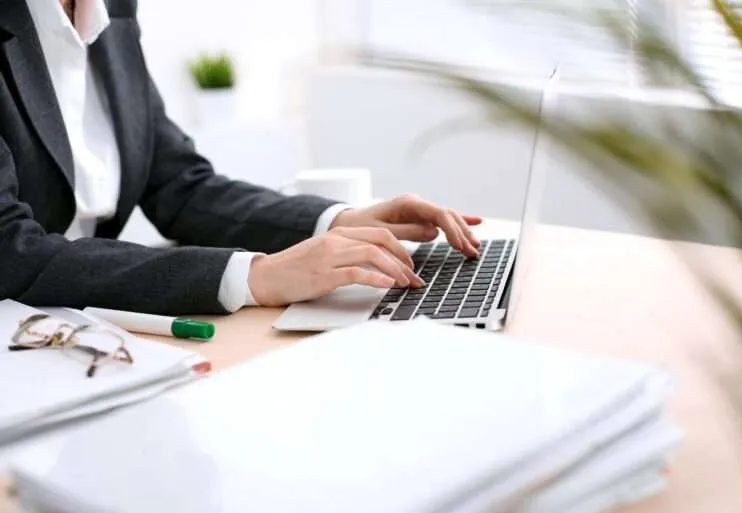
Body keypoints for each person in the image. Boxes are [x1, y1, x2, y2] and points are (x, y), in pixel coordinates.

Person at [0, 0, 482, 315]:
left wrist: (337, 222)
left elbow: (178, 185)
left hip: (84, 324)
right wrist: (255, 275)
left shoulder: (112, 13)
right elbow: (10, 249)